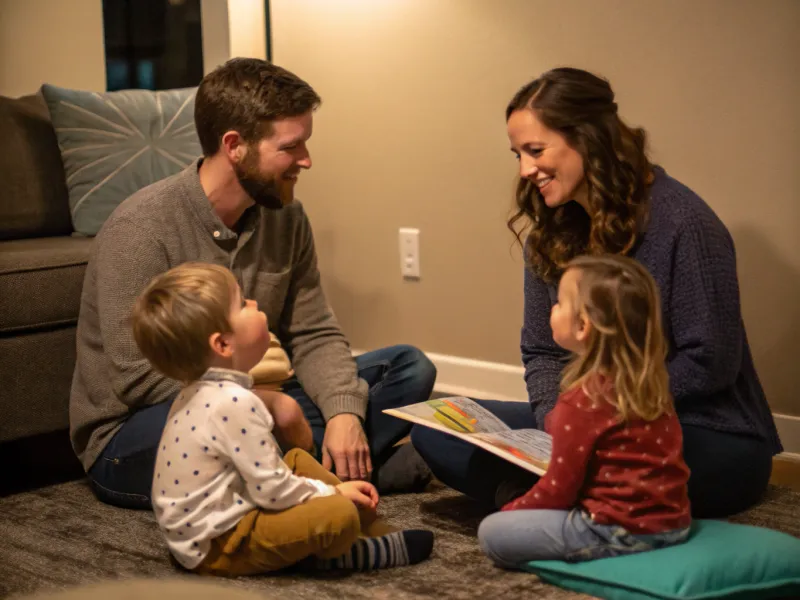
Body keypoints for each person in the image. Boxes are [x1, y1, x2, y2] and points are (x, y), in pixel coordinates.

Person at [411, 67, 782, 518]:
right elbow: (542, 351)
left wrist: (603, 411)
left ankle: (542, 497)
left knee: (623, 460)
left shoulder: (685, 223)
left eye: (535, 150)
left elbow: (709, 363)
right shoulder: (548, 234)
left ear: (587, 139)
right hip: (582, 421)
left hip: (700, 429)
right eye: (517, 155)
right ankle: (574, 500)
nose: (526, 169)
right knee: (436, 432)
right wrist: (555, 420)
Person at [70, 58, 436, 510]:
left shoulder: (286, 216)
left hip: (255, 402)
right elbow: (137, 377)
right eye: (291, 146)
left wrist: (343, 412)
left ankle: (311, 473)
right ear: (235, 145)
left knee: (409, 368)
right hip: (138, 431)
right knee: (251, 419)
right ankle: (338, 477)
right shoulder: (140, 229)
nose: (306, 160)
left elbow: (313, 331)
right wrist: (261, 404)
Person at [130, 262, 434, 574]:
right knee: (337, 514)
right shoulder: (233, 403)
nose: (254, 303)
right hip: (223, 544)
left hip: (220, 519)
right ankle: (349, 550)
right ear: (222, 344)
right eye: (242, 303)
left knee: (298, 458)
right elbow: (271, 491)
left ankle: (368, 525)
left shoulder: (198, 393)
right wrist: (333, 492)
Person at [478, 255, 691, 568]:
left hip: (616, 531)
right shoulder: (651, 388)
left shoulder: (580, 401)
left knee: (491, 533)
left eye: (560, 303)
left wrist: (514, 511)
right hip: (675, 526)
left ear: (582, 326)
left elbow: (558, 491)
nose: (553, 308)